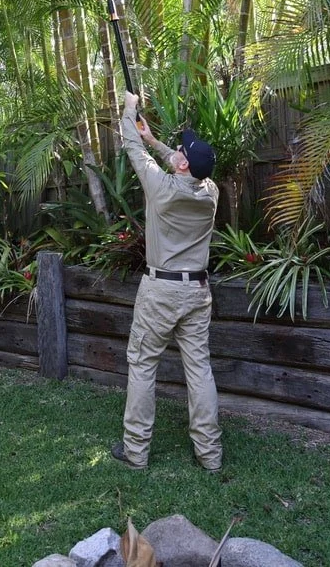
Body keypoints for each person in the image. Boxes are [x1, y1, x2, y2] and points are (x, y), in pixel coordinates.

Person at [111, 91, 222, 472]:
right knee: (199, 369)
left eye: (182, 150)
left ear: (184, 165)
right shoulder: (211, 193)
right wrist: (155, 141)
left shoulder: (161, 189)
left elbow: (129, 148)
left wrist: (128, 109)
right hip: (197, 292)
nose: (179, 150)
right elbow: (176, 164)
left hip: (161, 291)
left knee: (142, 365)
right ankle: (210, 455)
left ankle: (136, 452)